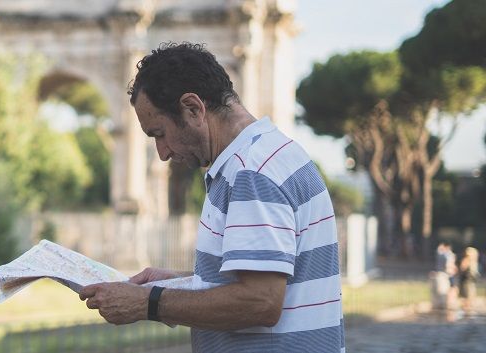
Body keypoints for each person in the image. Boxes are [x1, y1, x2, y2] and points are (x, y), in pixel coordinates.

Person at [79, 42, 343, 352]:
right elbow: (261, 279)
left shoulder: (250, 172)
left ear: (193, 109)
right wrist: (182, 281)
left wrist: (148, 303)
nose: (162, 153)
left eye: (159, 133)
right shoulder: (270, 153)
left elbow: (261, 302)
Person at [458, 247, 480, 313]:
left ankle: (469, 311)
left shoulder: (474, 262)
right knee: (467, 298)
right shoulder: (466, 260)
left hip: (472, 282)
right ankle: (466, 312)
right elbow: (462, 270)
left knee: (471, 297)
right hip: (467, 282)